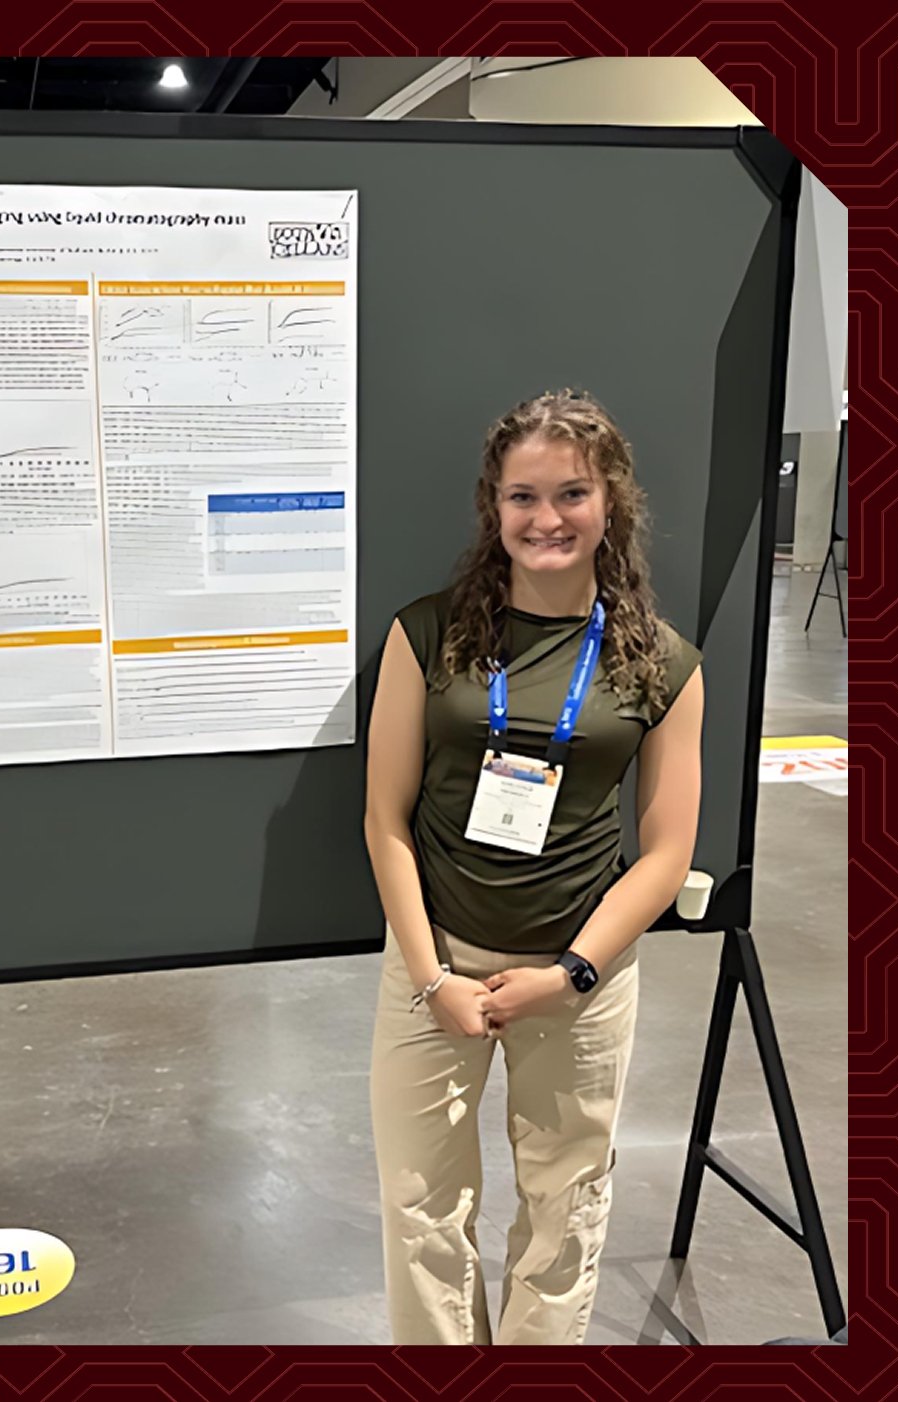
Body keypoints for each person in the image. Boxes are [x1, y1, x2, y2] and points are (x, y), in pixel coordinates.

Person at [364, 388, 705, 1345]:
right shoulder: (426, 635)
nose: (546, 518)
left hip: (578, 979)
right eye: (523, 496)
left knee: (566, 1209)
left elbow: (667, 853)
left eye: (571, 494)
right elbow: (384, 819)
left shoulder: (662, 664)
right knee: (419, 1207)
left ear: (611, 503)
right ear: (494, 506)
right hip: (435, 966)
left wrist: (571, 974)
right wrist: (431, 977)